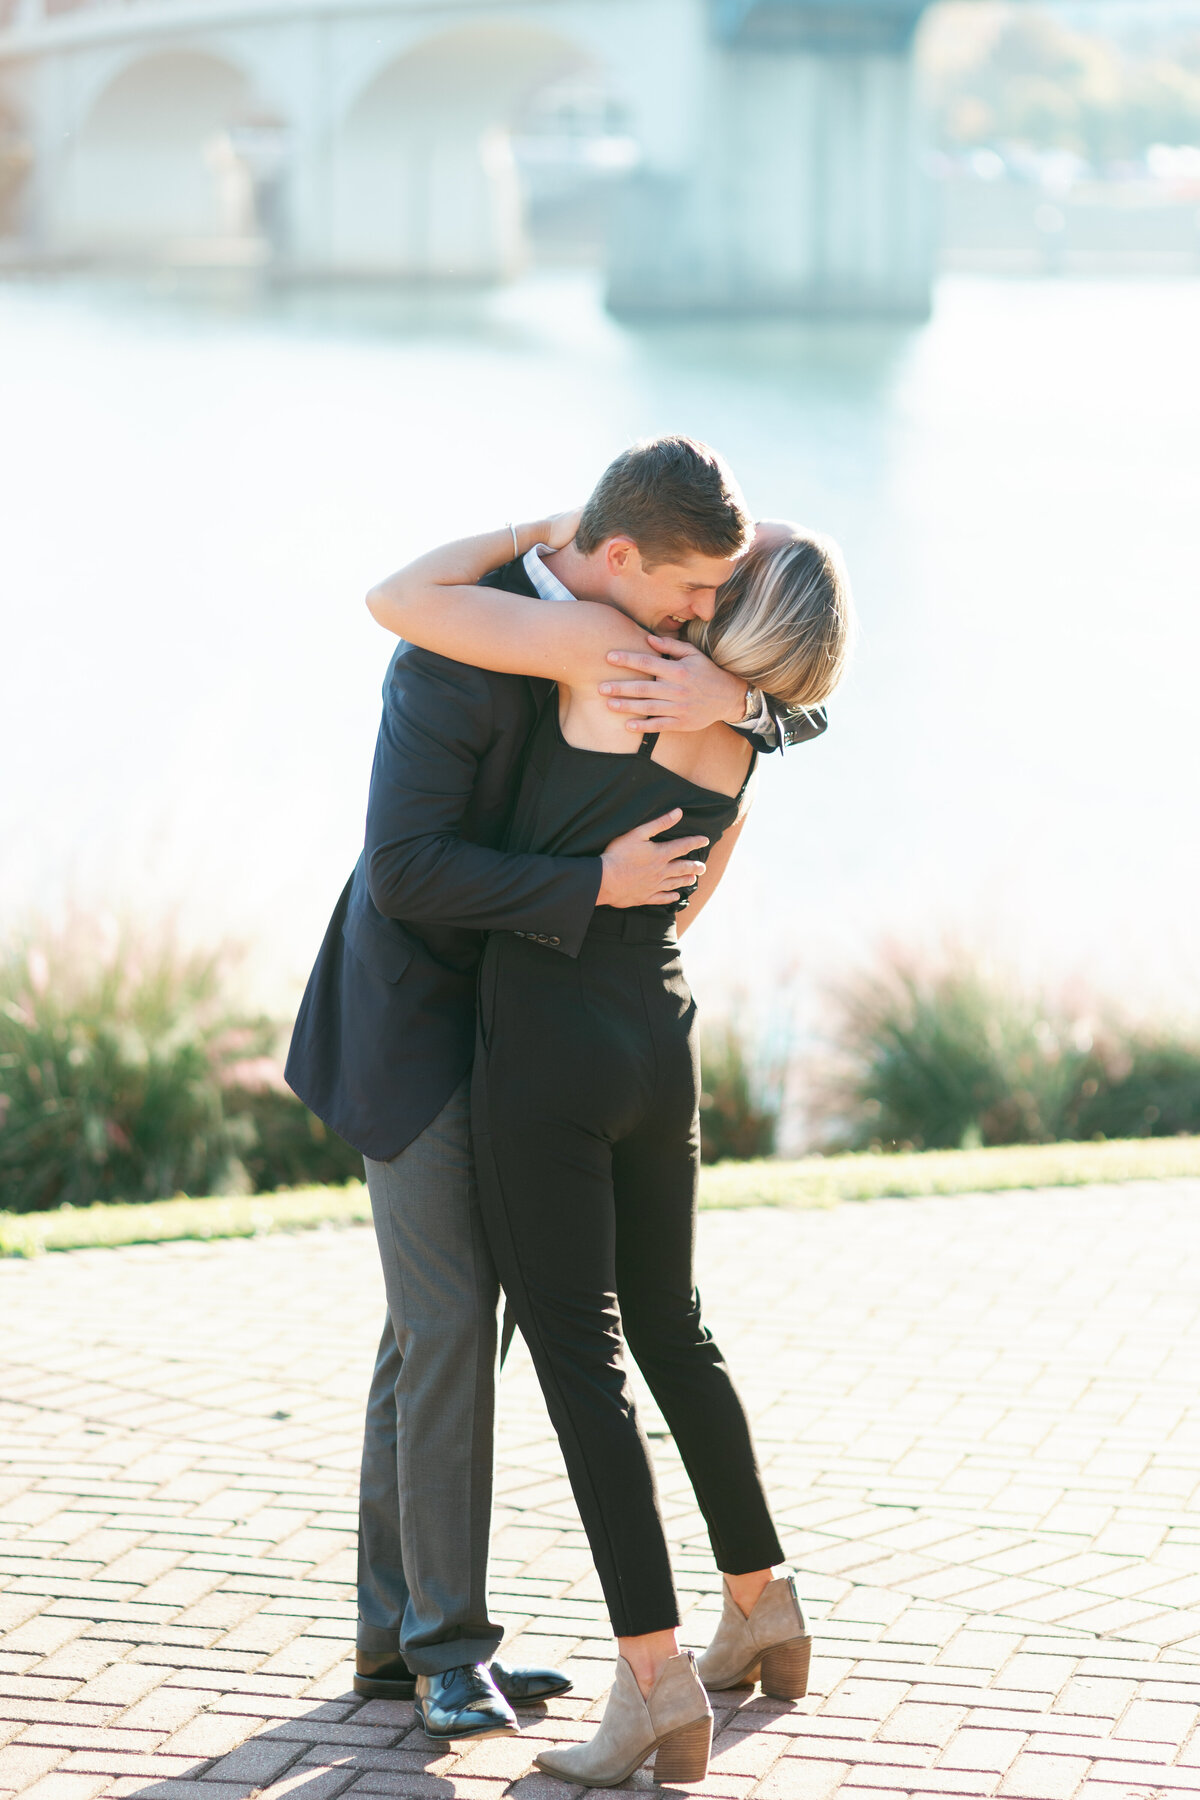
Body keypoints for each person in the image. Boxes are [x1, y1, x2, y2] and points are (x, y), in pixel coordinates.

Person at [286, 438, 810, 1746]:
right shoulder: (464, 645)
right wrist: (590, 888)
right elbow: (405, 871)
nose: (701, 622)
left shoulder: (631, 642)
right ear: (619, 558)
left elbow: (791, 677)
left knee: (439, 1330)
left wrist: (745, 710)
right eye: (688, 594)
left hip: (531, 1029)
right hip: (417, 1025)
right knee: (454, 1322)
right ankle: (446, 1650)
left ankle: (396, 1638)